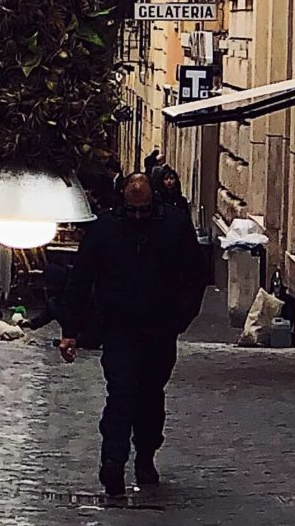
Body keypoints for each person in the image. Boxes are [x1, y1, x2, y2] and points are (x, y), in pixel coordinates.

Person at [57, 170, 212, 498]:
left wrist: (181, 318)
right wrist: (70, 330)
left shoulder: (174, 224)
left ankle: (145, 454)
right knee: (121, 393)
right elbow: (81, 279)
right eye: (133, 210)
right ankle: (113, 461)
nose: (138, 216)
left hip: (160, 327)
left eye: (143, 210)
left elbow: (195, 275)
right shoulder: (106, 227)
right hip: (119, 327)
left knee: (151, 393)